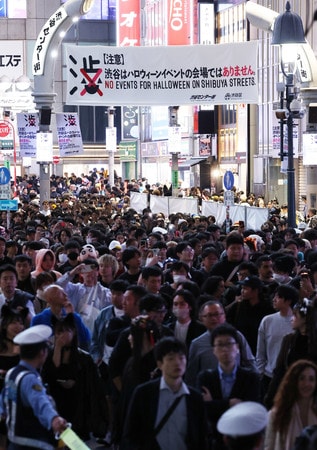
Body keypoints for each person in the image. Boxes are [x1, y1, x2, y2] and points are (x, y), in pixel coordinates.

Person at [122, 336, 208, 450]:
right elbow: (130, 434)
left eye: (181, 358)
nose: (177, 363)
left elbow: (201, 438)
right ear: (159, 364)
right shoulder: (144, 393)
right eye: (171, 358)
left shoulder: (194, 398)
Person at [0, 324, 68, 450]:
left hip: (14, 441)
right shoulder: (30, 379)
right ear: (42, 353)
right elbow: (40, 403)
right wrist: (54, 419)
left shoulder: (11, 373)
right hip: (33, 443)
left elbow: (4, 397)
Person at [41, 314, 107, 441]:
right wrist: (58, 347)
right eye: (60, 331)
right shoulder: (48, 355)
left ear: (74, 332)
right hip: (57, 403)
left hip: (78, 408)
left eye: (67, 330)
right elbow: (50, 373)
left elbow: (93, 389)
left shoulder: (84, 358)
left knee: (75, 442)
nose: (64, 335)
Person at [198, 324, 261, 450]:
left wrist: (214, 404)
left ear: (237, 347)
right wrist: (229, 404)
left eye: (229, 344)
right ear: (213, 350)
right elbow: (202, 410)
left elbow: (253, 410)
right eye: (220, 344)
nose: (225, 349)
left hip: (243, 440)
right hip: (214, 441)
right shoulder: (205, 378)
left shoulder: (251, 378)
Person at [185, 300, 256, 387]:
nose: (214, 318)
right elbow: (191, 376)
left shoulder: (236, 336)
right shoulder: (197, 344)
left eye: (218, 314)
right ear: (201, 318)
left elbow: (250, 363)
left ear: (224, 316)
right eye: (210, 315)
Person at [265, 297, 317, 409]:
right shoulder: (289, 340)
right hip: (290, 393)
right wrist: (271, 396)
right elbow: (280, 369)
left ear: (305, 318)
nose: (291, 319)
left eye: (295, 315)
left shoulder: (314, 343)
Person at [256, 284, 298, 400]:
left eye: (278, 297)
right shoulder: (267, 320)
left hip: (292, 376)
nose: (274, 299)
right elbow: (260, 350)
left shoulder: (297, 322)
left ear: (288, 301)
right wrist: (261, 372)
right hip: (269, 375)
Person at [264, 360, 317, 450]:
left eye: (311, 379)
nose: (307, 383)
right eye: (302, 378)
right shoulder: (276, 414)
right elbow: (269, 446)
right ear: (294, 381)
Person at [31, 284, 91, 351]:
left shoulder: (72, 315)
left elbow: (85, 338)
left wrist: (72, 315)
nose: (66, 295)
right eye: (61, 293)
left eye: (64, 292)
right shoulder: (38, 320)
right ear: (49, 299)